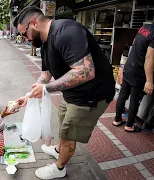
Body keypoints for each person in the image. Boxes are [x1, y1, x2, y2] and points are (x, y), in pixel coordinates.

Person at [13, 6, 115, 179]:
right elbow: (46, 73)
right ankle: (58, 149)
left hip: (91, 95)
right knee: (63, 121)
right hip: (72, 92)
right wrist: (29, 95)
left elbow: (85, 71)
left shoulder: (67, 32)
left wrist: (46, 89)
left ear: (34, 23)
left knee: (69, 132)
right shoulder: (45, 42)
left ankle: (60, 168)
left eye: (24, 34)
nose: (24, 39)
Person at [113, 11, 154, 132]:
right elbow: (150, 57)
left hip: (129, 66)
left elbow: (137, 44)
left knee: (123, 95)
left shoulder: (145, 27)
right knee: (134, 100)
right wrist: (149, 81)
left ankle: (117, 120)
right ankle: (129, 126)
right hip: (138, 72)